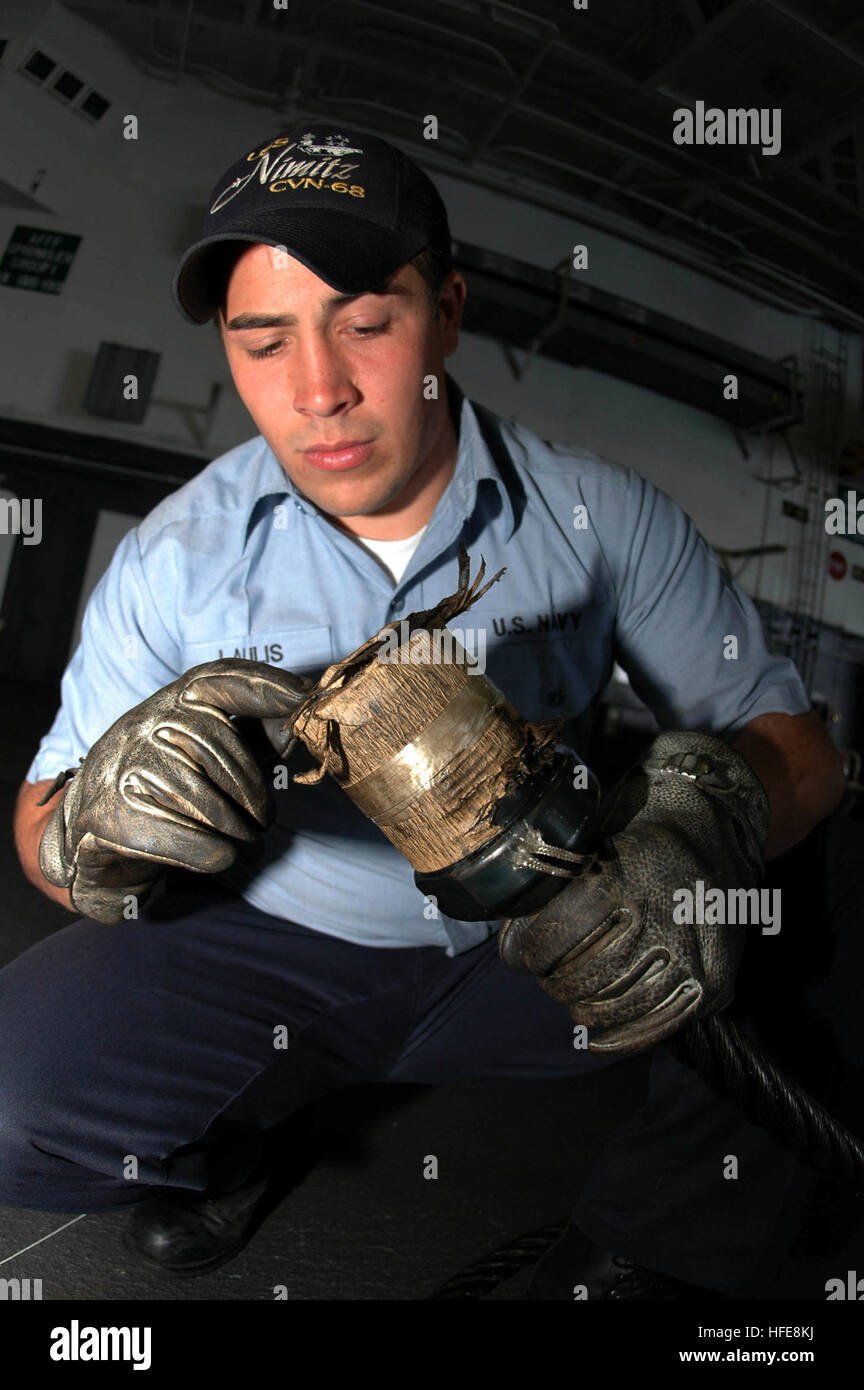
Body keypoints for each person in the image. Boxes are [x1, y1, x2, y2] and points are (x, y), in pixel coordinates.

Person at [6, 125, 853, 1298]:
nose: (319, 391)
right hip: (270, 948)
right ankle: (226, 1148)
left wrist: (699, 824)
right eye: (263, 342)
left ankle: (653, 1253)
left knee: (832, 873)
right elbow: (40, 823)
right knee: (13, 1099)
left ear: (446, 313)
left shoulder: (603, 518)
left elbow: (800, 750)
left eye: (365, 323)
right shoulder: (173, 559)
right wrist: (94, 821)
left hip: (547, 940)